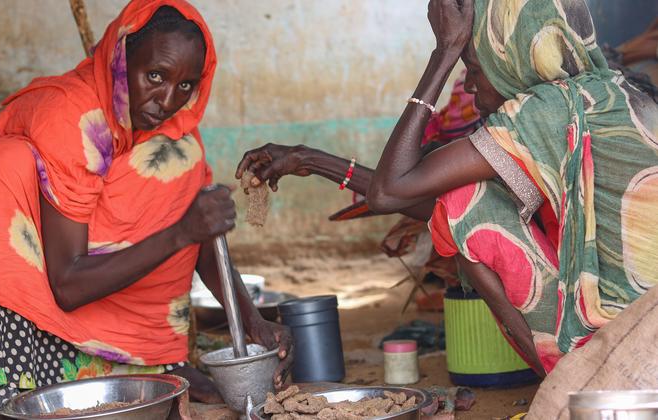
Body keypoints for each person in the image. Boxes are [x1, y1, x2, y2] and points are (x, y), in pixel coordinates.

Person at [237, 0, 658, 376]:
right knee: (465, 198)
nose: (469, 85)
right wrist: (308, 160)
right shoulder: (609, 93)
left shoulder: (546, 111)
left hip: (631, 352)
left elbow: (392, 192)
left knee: (466, 204)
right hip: (644, 333)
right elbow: (421, 198)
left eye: (473, 67)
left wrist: (443, 55)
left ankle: (571, 381)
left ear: (510, 60)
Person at [0, 0, 292, 408]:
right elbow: (67, 286)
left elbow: (201, 242)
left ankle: (151, 363)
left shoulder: (171, 131)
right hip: (43, 323)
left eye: (185, 85)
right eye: (155, 76)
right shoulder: (69, 117)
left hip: (118, 316)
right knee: (7, 161)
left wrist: (253, 321)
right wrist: (181, 232)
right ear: (121, 58)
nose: (167, 100)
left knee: (179, 154)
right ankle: (16, 391)